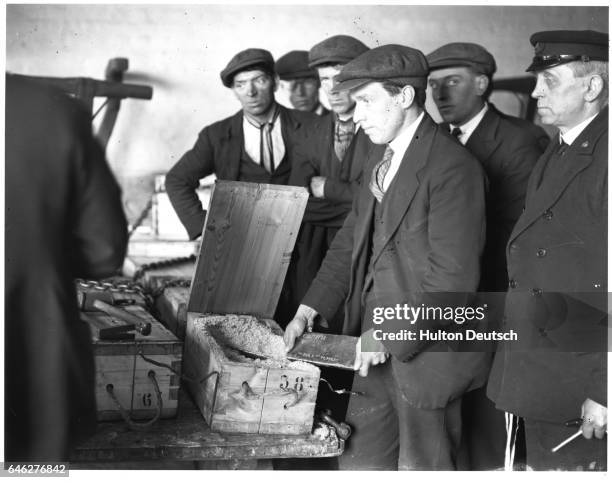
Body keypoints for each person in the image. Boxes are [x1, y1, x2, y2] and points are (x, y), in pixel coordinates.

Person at [284, 44, 488, 470]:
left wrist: (388, 334)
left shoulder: (453, 167)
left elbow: (453, 280)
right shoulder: (381, 156)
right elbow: (350, 242)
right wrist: (310, 306)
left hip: (425, 359)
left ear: (406, 97)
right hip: (368, 353)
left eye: (366, 101)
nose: (356, 115)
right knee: (360, 465)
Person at [487, 30, 608, 471]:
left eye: (550, 80)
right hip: (544, 369)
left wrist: (606, 391)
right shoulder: (561, 148)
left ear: (592, 87)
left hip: (581, 384)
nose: (535, 91)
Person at [426, 42, 550, 470]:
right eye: (433, 85)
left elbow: (522, 235)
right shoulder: (434, 140)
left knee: (489, 416)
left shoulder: (519, 140)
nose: (440, 94)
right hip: (448, 295)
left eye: (453, 82)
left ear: (482, 84)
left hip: (493, 295)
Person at [5, 74, 128, 461]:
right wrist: (45, 263)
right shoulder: (52, 108)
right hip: (33, 355)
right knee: (31, 469)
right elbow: (105, 250)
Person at [165, 48, 316, 240]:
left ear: (275, 83)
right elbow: (177, 180)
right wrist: (204, 227)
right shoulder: (216, 135)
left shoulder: (311, 125)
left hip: (303, 242)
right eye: (241, 85)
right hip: (241, 243)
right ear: (234, 91)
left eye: (259, 81)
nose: (251, 92)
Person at [288, 34, 371, 333]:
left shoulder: (380, 129)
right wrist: (356, 203)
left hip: (364, 250)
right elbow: (297, 203)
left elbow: (382, 198)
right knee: (311, 332)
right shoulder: (310, 132)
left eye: (341, 79)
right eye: (324, 80)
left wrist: (329, 189)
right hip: (314, 252)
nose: (332, 89)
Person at [276, 50, 328, 115]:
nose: (300, 93)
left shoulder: (338, 122)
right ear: (282, 87)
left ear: (319, 83)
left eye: (307, 83)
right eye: (293, 86)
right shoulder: (280, 123)